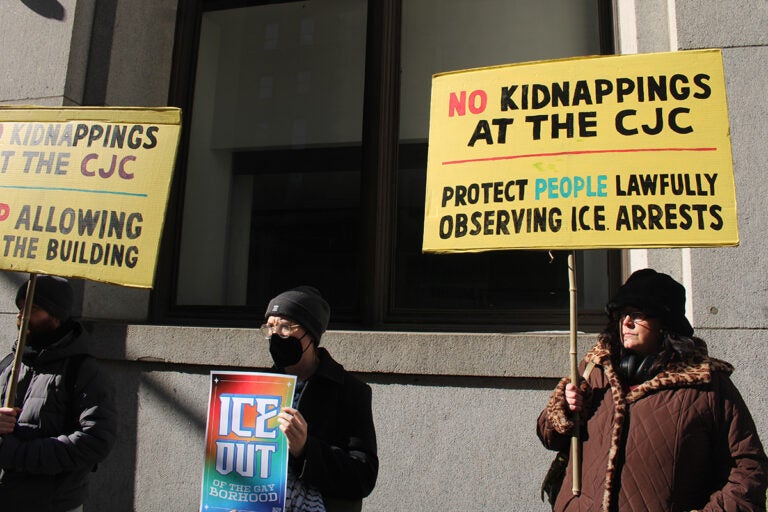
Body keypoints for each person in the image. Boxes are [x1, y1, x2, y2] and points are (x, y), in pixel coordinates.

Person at [537, 268, 768, 511]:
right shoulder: (593, 369)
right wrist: (564, 409)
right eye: (622, 314)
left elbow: (748, 471)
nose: (626, 322)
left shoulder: (708, 386)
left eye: (637, 314)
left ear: (665, 323)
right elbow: (548, 435)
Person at [0, 275, 117, 512]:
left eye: (32, 308)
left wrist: (17, 453)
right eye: (20, 308)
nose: (21, 316)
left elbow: (95, 441)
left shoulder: (83, 371)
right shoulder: (11, 363)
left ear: (56, 316)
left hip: (51, 503)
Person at [261, 286, 378, 512]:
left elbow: (363, 477)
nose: (276, 336)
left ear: (310, 335)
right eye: (270, 327)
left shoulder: (350, 392)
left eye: (285, 327)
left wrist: (305, 450)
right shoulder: (258, 386)